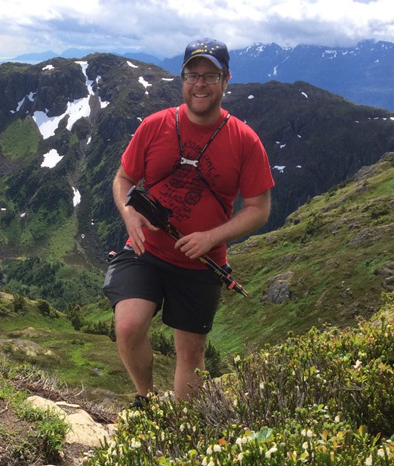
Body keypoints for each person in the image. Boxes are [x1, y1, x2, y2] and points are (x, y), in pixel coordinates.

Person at [103, 38, 275, 407]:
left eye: (210, 75)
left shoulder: (245, 141)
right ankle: (146, 400)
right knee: (128, 326)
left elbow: (259, 208)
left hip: (200, 262)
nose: (200, 84)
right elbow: (123, 179)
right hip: (146, 249)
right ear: (182, 79)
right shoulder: (154, 126)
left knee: (191, 355)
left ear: (226, 79)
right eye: (192, 74)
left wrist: (211, 237)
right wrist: (129, 214)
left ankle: (181, 431)